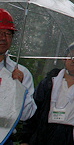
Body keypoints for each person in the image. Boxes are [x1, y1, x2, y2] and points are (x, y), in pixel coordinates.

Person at [22, 40, 74, 145]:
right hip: (46, 134)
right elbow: (35, 109)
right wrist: (26, 139)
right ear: (64, 58)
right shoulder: (48, 83)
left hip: (73, 136)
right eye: (71, 57)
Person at [0, 8, 37, 144]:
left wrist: (19, 88)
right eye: (0, 32)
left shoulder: (21, 73)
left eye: (8, 33)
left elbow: (27, 115)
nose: (3, 38)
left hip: (5, 139)